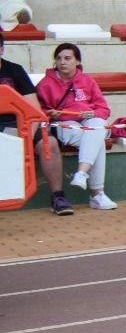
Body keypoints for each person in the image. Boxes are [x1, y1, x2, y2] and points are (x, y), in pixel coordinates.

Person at [34, 42, 117, 210]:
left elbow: (103, 109)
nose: (62, 62)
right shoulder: (45, 84)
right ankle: (97, 194)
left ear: (77, 61)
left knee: (97, 125)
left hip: (88, 123)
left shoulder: (88, 81)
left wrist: (92, 113)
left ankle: (82, 174)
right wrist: (51, 113)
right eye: (58, 58)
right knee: (97, 140)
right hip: (64, 124)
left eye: (67, 58)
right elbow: (38, 112)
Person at [0, 32, 70, 214]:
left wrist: (25, 139)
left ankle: (58, 197)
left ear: (2, 49)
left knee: (50, 144)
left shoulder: (15, 70)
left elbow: (34, 109)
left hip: (20, 124)